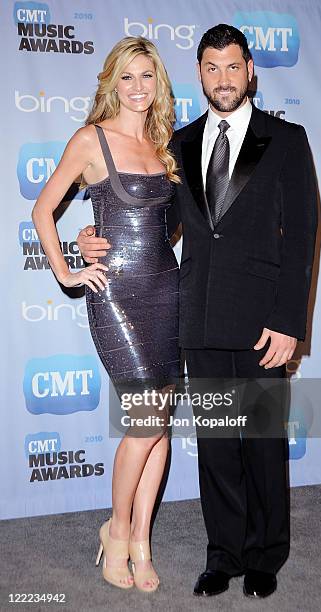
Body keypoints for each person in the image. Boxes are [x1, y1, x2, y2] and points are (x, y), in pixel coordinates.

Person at [77, 24, 318, 599]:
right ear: (200, 75)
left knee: (260, 442)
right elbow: (157, 227)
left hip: (264, 322)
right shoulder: (178, 146)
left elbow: (303, 233)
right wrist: (94, 234)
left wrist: (289, 323)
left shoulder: (285, 139)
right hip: (198, 318)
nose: (223, 78)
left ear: (250, 70)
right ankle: (224, 554)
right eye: (212, 68)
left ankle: (265, 555)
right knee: (214, 445)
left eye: (233, 66)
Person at [31, 36, 181, 593]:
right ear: (111, 82)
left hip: (168, 291)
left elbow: (168, 228)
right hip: (116, 294)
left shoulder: (166, 144)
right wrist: (69, 266)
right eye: (127, 77)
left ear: (157, 83)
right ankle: (115, 532)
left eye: (147, 76)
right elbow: (42, 208)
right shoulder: (90, 140)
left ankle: (143, 540)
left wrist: (106, 232)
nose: (137, 88)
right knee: (145, 423)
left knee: (158, 426)